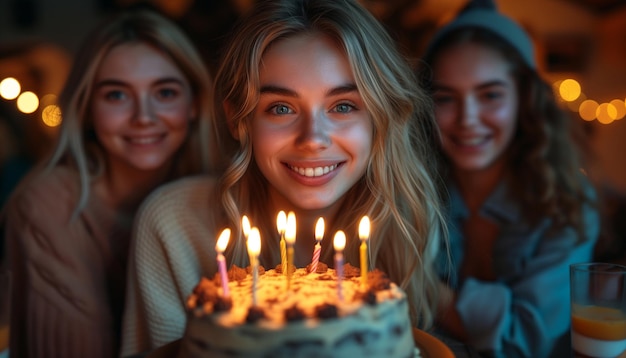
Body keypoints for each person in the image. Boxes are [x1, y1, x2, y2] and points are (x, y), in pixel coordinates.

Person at [120, 0, 447, 355]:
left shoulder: (405, 219)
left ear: (381, 116)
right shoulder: (173, 224)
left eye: (343, 106)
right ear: (238, 120)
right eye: (281, 108)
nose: (313, 139)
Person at [2, 7, 217, 358]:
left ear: (194, 104)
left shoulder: (216, 195)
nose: (143, 117)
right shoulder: (49, 206)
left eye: (165, 93)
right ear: (86, 107)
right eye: (116, 95)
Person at [418, 1, 600, 357]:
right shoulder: (411, 191)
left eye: (490, 95)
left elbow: (527, 340)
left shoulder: (568, 203)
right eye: (446, 98)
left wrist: (426, 288)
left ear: (525, 100)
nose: (468, 119)